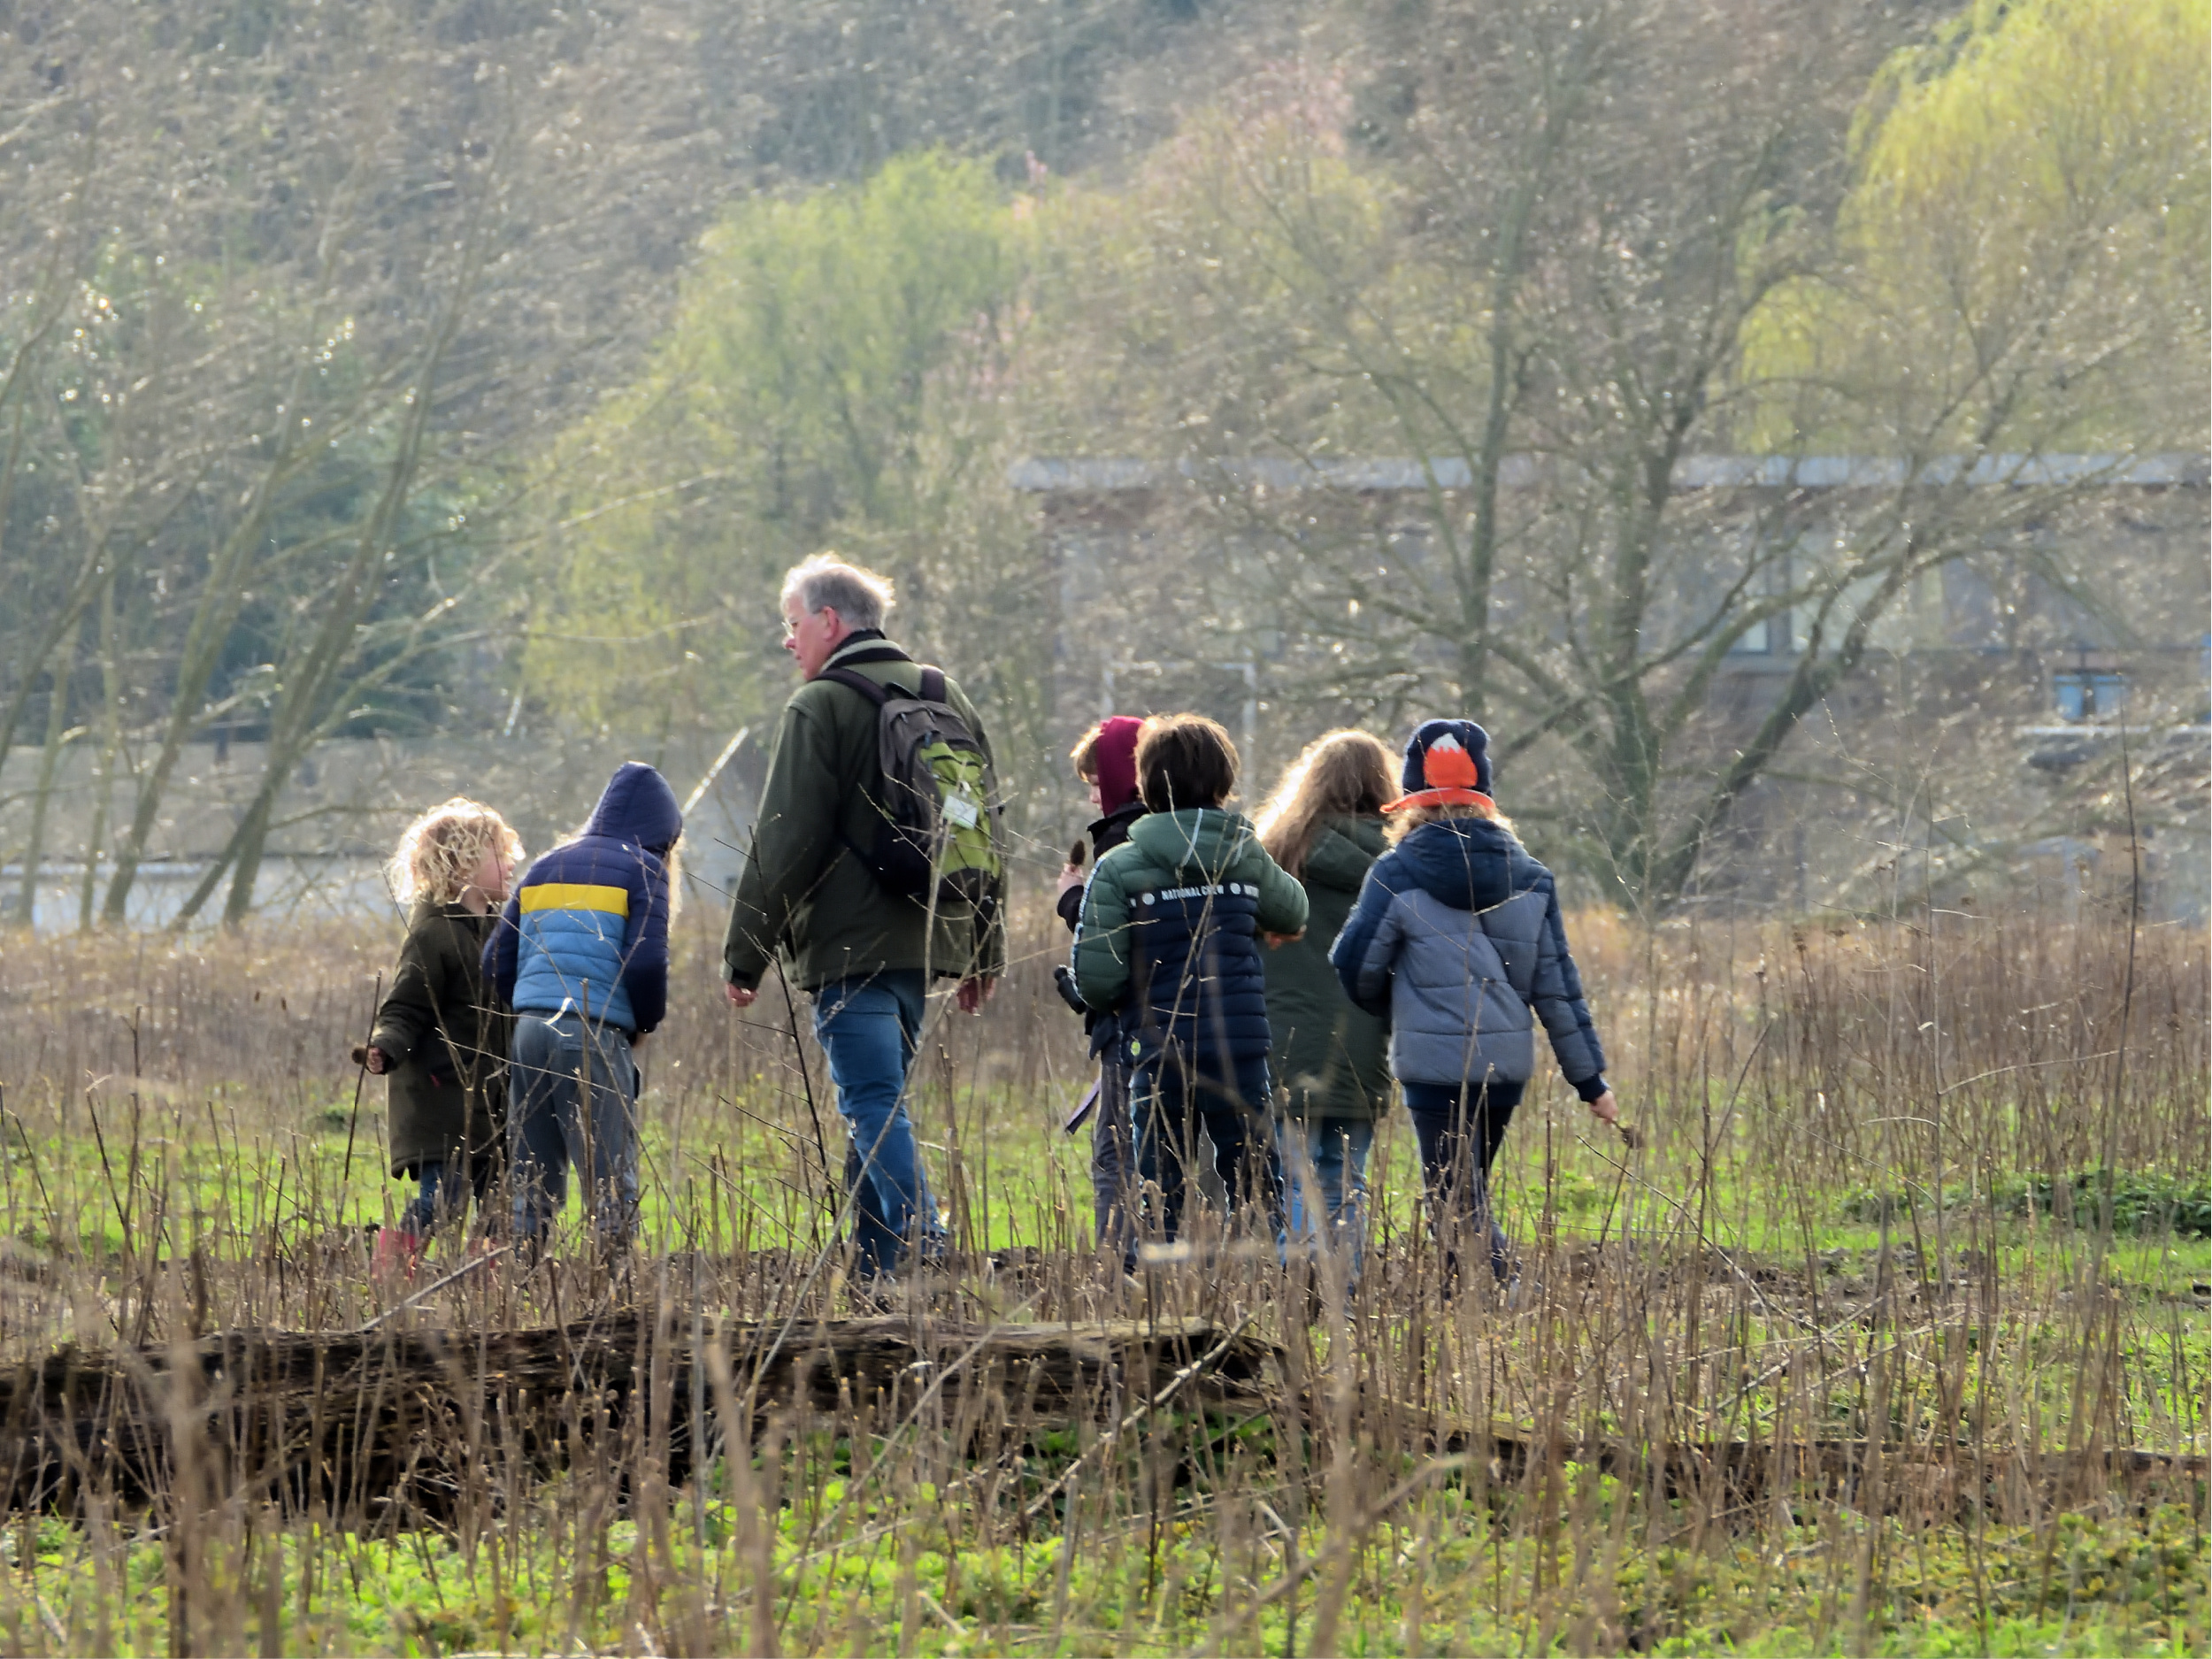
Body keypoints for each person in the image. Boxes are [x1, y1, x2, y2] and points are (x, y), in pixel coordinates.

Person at [722, 553, 1006, 1285]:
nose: (788, 640)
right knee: (878, 1108)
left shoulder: (819, 705)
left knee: (873, 1103)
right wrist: (982, 946)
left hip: (850, 949)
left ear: (829, 620)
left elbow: (785, 836)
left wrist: (745, 952)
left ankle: (924, 1238)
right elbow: (985, 827)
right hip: (929, 941)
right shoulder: (946, 693)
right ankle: (878, 1277)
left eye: (793, 623)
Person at [1330, 720, 1617, 1293]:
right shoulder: (1531, 877)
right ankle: (1463, 1303)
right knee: (1463, 1192)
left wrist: (1396, 1003)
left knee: (1454, 1199)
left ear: (1413, 802)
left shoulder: (1394, 873)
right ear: (1485, 797)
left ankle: (1509, 1290)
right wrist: (1590, 1082)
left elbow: (1354, 965)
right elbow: (1557, 989)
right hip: (1503, 1068)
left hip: (1432, 1068)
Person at [1072, 713, 1308, 1262]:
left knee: (1158, 1189)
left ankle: (1157, 1292)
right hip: (1238, 1049)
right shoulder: (1243, 853)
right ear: (1224, 781)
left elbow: (1096, 981)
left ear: (1146, 783)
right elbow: (1293, 912)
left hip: (1158, 1051)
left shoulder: (1119, 867)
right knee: (1255, 1182)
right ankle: (1262, 1287)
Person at [486, 762, 682, 1254]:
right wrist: (644, 1022)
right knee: (609, 1178)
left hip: (529, 1032)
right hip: (594, 1032)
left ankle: (525, 1277)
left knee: (532, 1174)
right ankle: (614, 1284)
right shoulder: (646, 868)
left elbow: (494, 960)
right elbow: (646, 962)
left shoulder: (546, 864)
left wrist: (534, 1001)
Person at [1251, 730, 1397, 1286]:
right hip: (1363, 1043)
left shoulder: (1276, 855)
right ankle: (1344, 1293)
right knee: (1346, 1181)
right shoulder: (1397, 864)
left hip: (1285, 1040)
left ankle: (1298, 1290)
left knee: (1296, 1180)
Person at [363, 798, 522, 1276]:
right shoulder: (433, 935)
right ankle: (391, 1270)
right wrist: (386, 1046)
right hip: (443, 1098)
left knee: (500, 1203)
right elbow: (407, 1005)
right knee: (445, 1199)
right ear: (462, 864)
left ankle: (489, 1285)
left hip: (493, 1100)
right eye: (500, 855)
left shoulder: (500, 931)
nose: (512, 863)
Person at [1053, 716, 1148, 1260]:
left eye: (1096, 782)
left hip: (1130, 1033)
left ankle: (1120, 1272)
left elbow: (1111, 953)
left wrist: (1072, 900)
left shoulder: (1120, 844)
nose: (1093, 797)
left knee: (1116, 1155)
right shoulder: (1182, 831)